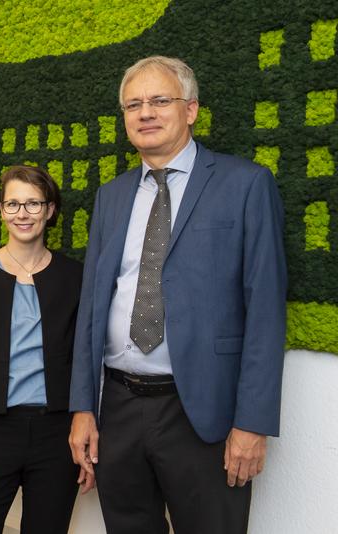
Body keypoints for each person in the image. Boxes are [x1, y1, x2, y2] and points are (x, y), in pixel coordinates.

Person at [69, 55, 287, 534]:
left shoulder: (246, 185)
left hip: (202, 413)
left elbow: (266, 312)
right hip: (119, 407)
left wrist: (252, 423)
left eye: (159, 100)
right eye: (133, 104)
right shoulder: (112, 195)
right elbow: (92, 305)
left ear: (190, 110)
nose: (145, 112)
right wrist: (84, 408)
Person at [0, 165, 86, 533]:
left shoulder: (74, 276)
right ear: (1, 210)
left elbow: (87, 357)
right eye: (13, 204)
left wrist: (87, 429)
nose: (22, 214)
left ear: (50, 210)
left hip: (57, 434)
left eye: (33, 204)